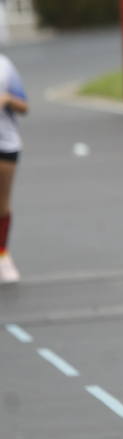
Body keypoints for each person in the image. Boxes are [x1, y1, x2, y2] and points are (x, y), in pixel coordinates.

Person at [0, 52, 26, 283]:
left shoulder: (4, 65)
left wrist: (7, 99)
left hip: (5, 143)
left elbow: (24, 105)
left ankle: (3, 255)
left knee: (2, 203)